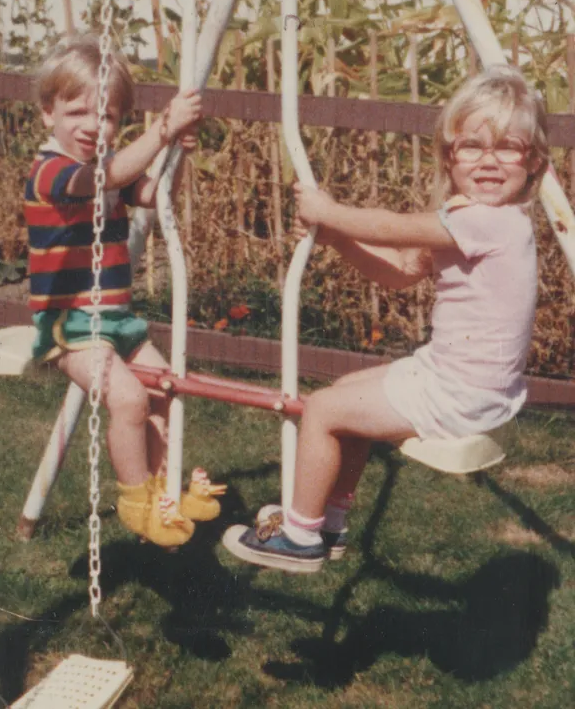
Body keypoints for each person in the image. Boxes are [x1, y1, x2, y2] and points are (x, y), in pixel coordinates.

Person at [222, 65, 549, 573]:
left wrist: (329, 211)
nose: (489, 161)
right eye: (472, 147)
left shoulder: (492, 221)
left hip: (460, 394)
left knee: (324, 410)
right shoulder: (472, 216)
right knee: (348, 389)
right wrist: (339, 239)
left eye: (508, 147)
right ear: (450, 156)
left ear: (532, 162)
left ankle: (299, 535)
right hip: (454, 376)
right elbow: (400, 272)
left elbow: (392, 228)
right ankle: (330, 520)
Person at [26, 33, 225, 549]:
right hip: (68, 324)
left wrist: (175, 155)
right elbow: (104, 175)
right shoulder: (51, 171)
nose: (94, 126)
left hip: (115, 319)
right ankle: (136, 500)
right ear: (48, 113)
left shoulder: (108, 167)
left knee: (163, 389)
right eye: (77, 112)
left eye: (109, 116)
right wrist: (162, 129)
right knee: (131, 399)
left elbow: (152, 197)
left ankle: (165, 493)